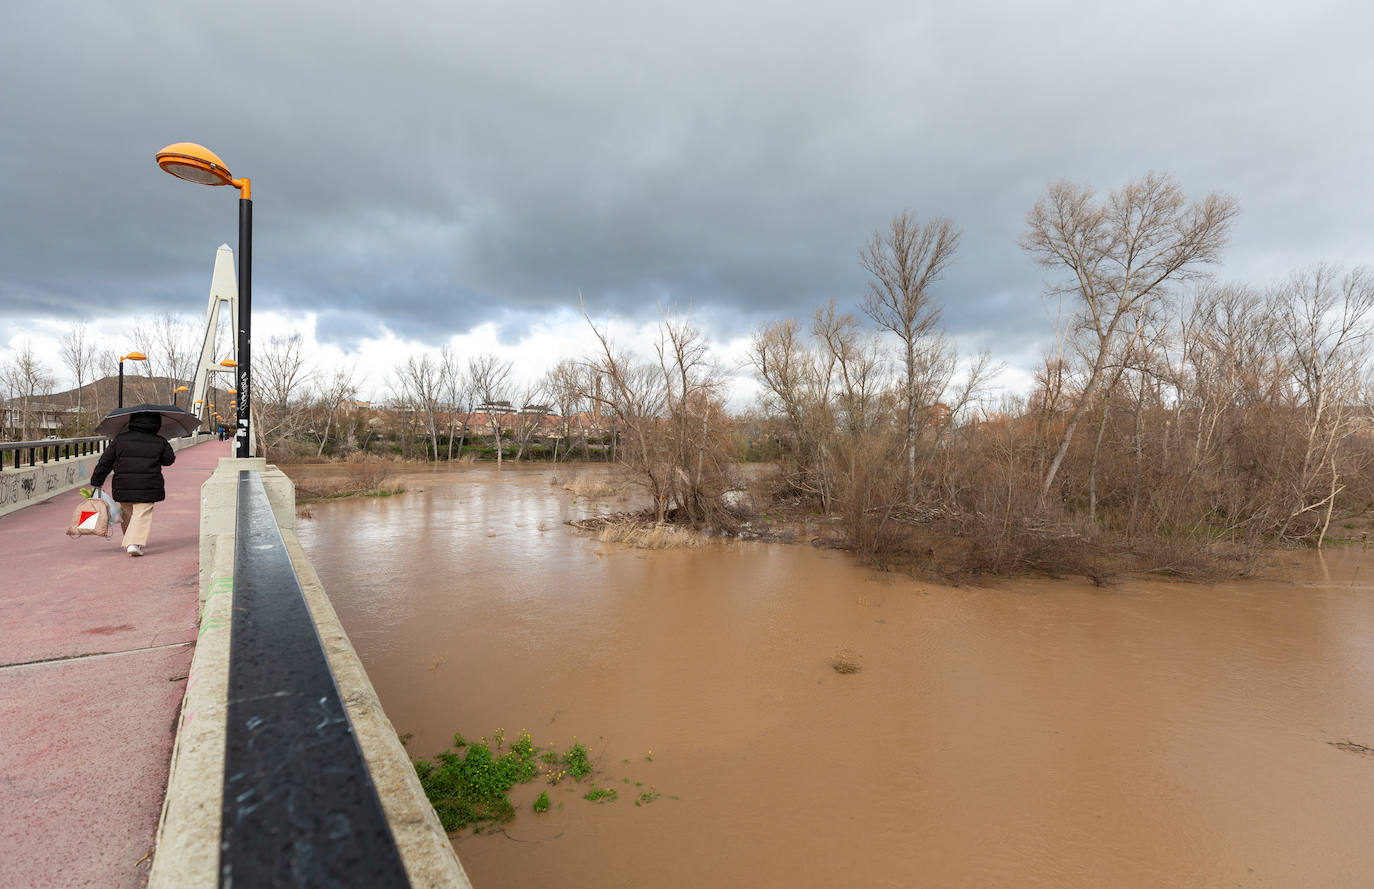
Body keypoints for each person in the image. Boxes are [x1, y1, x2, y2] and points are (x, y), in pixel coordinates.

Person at [90, 411, 176, 556]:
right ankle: (133, 543)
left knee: (127, 512)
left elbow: (105, 462)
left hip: (123, 484)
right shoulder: (160, 441)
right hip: (148, 485)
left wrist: (96, 481)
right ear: (157, 424)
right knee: (142, 513)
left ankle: (130, 540)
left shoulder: (120, 440)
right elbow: (169, 460)